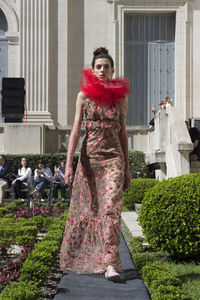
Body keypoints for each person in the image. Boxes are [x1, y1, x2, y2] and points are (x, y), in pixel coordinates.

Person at [60, 47, 131, 281]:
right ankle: (92, 256)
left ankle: (110, 262)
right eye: (98, 67)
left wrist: (127, 168)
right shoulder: (84, 96)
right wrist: (69, 164)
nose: (102, 70)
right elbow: (76, 129)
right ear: (93, 70)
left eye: (106, 67)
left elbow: (123, 134)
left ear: (112, 71)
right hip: (89, 160)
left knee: (110, 210)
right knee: (90, 212)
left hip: (114, 160)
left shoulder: (120, 98)